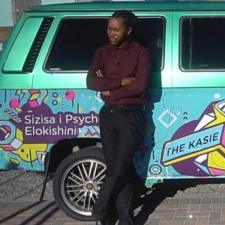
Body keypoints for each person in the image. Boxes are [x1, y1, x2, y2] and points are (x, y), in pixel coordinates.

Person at [86, 10, 151, 225]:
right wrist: (122, 82)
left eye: (116, 29)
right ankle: (125, 218)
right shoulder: (101, 52)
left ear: (128, 30)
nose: (111, 33)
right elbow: (91, 82)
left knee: (120, 166)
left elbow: (140, 86)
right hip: (108, 116)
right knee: (116, 165)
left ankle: (101, 207)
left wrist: (109, 88)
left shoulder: (141, 53)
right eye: (109, 28)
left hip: (131, 117)